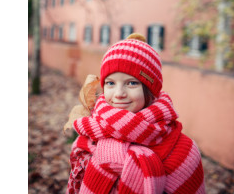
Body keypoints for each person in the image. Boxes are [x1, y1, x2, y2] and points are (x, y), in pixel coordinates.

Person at [66, 33, 206, 194]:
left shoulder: (183, 151)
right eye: (110, 83)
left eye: (132, 83)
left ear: (150, 89)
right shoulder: (89, 136)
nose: (119, 93)